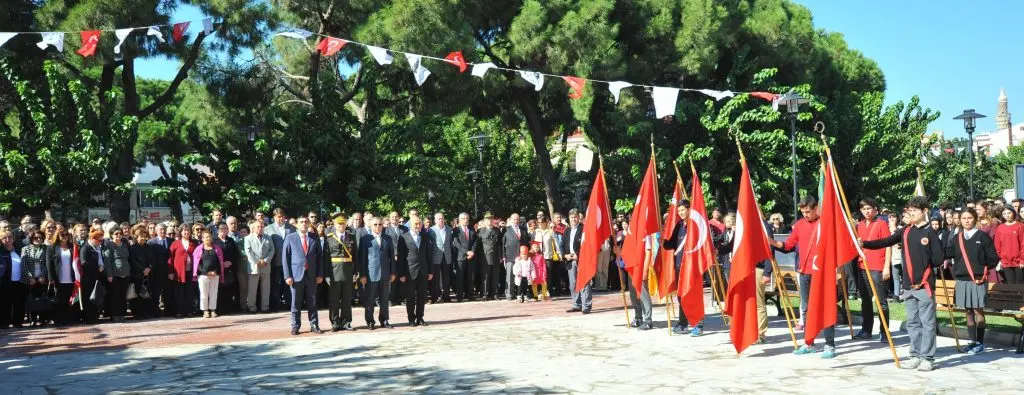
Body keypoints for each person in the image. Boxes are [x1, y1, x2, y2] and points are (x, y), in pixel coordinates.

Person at [861, 196, 944, 371]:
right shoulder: (906, 231)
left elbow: (938, 259)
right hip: (907, 285)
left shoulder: (930, 233)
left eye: (915, 211)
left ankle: (927, 357)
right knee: (912, 322)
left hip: (924, 285)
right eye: (909, 211)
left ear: (925, 212)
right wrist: (865, 244)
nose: (911, 213)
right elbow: (886, 241)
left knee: (927, 323)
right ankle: (915, 355)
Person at [771, 196, 837, 358]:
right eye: (802, 212)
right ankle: (809, 342)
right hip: (804, 272)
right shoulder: (799, 225)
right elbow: (787, 245)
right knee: (806, 308)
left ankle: (830, 344)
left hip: (822, 272)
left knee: (825, 306)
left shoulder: (825, 223)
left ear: (816, 209)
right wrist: (769, 241)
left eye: (807, 211)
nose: (805, 215)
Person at [945, 208, 999, 355]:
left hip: (977, 280)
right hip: (962, 279)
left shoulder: (982, 236)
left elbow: (993, 257)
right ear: (959, 221)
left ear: (975, 219)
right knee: (968, 311)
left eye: (969, 218)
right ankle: (972, 341)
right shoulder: (957, 238)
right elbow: (947, 253)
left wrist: (983, 269)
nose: (966, 221)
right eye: (963, 218)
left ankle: (980, 342)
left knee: (978, 310)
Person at [853, 198, 893, 342]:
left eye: (869, 208)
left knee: (881, 301)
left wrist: (886, 266)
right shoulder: (860, 225)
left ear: (875, 209)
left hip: (878, 266)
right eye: (864, 209)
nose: (866, 211)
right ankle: (866, 329)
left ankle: (884, 331)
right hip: (862, 266)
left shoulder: (881, 223)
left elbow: (888, 245)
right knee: (865, 300)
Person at [662, 201, 701, 335]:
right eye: (679, 211)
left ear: (689, 209)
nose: (681, 213)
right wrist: (663, 241)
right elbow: (671, 244)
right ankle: (683, 323)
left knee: (693, 295)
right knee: (681, 296)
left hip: (693, 266)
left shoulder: (696, 224)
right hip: (679, 265)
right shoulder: (679, 225)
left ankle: (698, 324)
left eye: (683, 210)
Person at [282, 216, 323, 335]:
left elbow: (320, 258)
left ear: (309, 223)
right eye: (301, 222)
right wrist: (287, 276)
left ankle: (314, 324)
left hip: (311, 275)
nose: (304, 224)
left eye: (306, 222)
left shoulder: (314, 238)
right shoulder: (290, 238)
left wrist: (320, 274)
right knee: (295, 302)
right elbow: (286, 258)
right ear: (297, 225)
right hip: (295, 275)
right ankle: (295, 326)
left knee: (313, 301)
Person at [359, 217, 395, 330]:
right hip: (371, 273)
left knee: (384, 299)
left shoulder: (388, 238)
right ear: (370, 225)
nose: (378, 226)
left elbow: (392, 257)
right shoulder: (365, 239)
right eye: (375, 224)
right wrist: (363, 275)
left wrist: (393, 272)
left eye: (380, 224)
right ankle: (370, 321)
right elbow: (362, 259)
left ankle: (384, 319)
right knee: (370, 299)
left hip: (385, 273)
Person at [323, 213, 356, 331]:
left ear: (346, 223)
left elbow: (355, 256)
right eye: (339, 223)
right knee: (334, 299)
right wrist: (326, 274)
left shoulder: (351, 237)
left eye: (343, 223)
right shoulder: (329, 238)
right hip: (334, 271)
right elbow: (325, 257)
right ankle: (335, 322)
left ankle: (346, 322)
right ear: (335, 225)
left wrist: (356, 272)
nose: (341, 225)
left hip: (347, 271)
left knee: (347, 298)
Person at [397, 216, 433, 326]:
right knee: (410, 296)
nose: (417, 226)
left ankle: (420, 317)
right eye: (415, 224)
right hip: (409, 271)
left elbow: (429, 255)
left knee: (422, 296)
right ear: (410, 225)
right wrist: (402, 273)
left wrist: (430, 271)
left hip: (423, 271)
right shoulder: (403, 237)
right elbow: (401, 257)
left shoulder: (425, 236)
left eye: (419, 224)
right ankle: (411, 318)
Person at [264, 208, 295, 312]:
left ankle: (289, 304)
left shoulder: (291, 228)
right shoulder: (268, 229)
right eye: (278, 216)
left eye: (282, 216)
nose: (280, 218)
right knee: (276, 284)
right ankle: (276, 305)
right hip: (275, 261)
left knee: (289, 283)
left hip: (289, 261)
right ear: (274, 218)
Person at [559, 209, 589, 313]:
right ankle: (577, 304)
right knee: (573, 284)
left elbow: (587, 245)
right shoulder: (567, 230)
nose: (573, 219)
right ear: (569, 218)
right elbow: (562, 245)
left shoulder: (584, 229)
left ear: (578, 218)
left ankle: (586, 306)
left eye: (575, 217)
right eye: (571, 217)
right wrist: (564, 255)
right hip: (570, 260)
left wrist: (578, 255)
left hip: (581, 259)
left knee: (584, 283)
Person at [191, 230, 226, 318]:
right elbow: (196, 264)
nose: (208, 238)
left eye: (209, 236)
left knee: (214, 293)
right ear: (202, 239)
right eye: (206, 237)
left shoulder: (217, 248)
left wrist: (215, 271)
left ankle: (213, 310)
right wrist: (206, 272)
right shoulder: (198, 249)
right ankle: (205, 311)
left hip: (215, 275)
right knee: (204, 294)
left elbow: (220, 262)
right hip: (203, 275)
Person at [46, 229, 76, 326]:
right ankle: (59, 320)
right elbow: (49, 264)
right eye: (62, 235)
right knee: (59, 300)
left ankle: (68, 319)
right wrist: (51, 278)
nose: (64, 236)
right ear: (57, 236)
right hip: (58, 278)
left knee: (69, 300)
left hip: (70, 278)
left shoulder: (72, 247)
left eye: (66, 234)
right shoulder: (52, 247)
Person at [244, 219, 275, 314]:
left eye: (262, 227)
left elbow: (272, 250)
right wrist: (257, 261)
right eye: (258, 226)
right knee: (252, 289)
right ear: (253, 228)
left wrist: (265, 260)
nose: (260, 228)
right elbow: (248, 252)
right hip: (254, 267)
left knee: (266, 289)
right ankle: (252, 307)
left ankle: (265, 307)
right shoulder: (248, 238)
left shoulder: (268, 237)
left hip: (266, 266)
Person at [168, 226, 199, 318]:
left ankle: (189, 311)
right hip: (179, 272)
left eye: (188, 230)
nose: (186, 232)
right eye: (184, 230)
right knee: (179, 292)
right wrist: (170, 272)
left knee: (190, 292)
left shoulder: (194, 243)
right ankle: (179, 311)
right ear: (181, 232)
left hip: (191, 272)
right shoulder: (175, 243)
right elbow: (170, 258)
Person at [103, 226, 131, 323]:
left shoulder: (124, 245)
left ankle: (122, 314)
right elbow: (107, 261)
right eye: (116, 234)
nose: (118, 235)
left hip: (125, 273)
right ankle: (114, 315)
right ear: (111, 235)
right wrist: (109, 275)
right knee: (114, 296)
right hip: (114, 275)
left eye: (120, 233)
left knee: (122, 296)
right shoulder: (109, 245)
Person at [21, 230, 48, 326]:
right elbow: (24, 265)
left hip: (42, 279)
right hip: (30, 279)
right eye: (36, 238)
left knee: (42, 298)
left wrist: (43, 275)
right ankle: (32, 320)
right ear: (32, 239)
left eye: (40, 237)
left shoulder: (46, 248)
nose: (38, 239)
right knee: (31, 299)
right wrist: (30, 277)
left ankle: (42, 319)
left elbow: (47, 264)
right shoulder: (25, 249)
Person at [79, 230, 105, 324]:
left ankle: (94, 316)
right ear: (92, 239)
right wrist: (97, 268)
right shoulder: (85, 248)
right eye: (99, 240)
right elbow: (84, 262)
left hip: (97, 277)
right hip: (88, 278)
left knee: (95, 297)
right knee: (88, 297)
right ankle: (89, 317)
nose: (100, 242)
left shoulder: (98, 248)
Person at [993, 206, 1024, 284]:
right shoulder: (1000, 228)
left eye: (1009, 213)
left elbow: (1023, 243)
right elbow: (997, 245)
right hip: (1005, 262)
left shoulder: (1020, 226)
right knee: (1010, 286)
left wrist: (1022, 260)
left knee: (1020, 286)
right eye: (1004, 213)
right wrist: (999, 260)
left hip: (1019, 262)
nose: (1007, 215)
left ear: (1013, 213)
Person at [146, 223, 172, 318]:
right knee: (155, 293)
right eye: (160, 229)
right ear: (156, 231)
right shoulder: (151, 242)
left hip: (168, 272)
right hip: (155, 273)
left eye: (164, 229)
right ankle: (155, 313)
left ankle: (168, 312)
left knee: (168, 293)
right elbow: (149, 258)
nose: (163, 231)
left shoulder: (171, 241)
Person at [502, 214, 530, 301]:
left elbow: (526, 243)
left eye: (517, 219)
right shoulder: (506, 230)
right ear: (510, 220)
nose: (516, 221)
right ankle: (509, 293)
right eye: (514, 219)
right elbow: (503, 244)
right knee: (510, 276)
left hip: (522, 257)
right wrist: (503, 256)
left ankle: (521, 293)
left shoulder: (523, 230)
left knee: (522, 276)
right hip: (510, 256)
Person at [128, 227, 154, 319]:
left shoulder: (149, 247)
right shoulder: (132, 248)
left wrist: (149, 268)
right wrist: (143, 269)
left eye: (144, 236)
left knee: (146, 294)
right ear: (136, 237)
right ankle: (137, 314)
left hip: (147, 275)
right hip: (136, 275)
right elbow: (132, 261)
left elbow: (152, 260)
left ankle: (146, 313)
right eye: (140, 236)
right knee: (136, 295)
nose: (142, 238)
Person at [428, 212, 454, 303]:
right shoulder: (431, 230)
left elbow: (451, 243)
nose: (441, 220)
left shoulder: (449, 229)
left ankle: (446, 296)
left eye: (442, 218)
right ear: (435, 220)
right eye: (439, 218)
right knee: (435, 278)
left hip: (447, 256)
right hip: (436, 256)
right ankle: (435, 297)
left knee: (446, 277)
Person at [213, 223, 239, 314]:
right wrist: (221, 264)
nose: (223, 230)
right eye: (221, 229)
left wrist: (230, 262)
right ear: (218, 230)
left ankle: (229, 309)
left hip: (230, 269)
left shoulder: (231, 240)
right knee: (219, 290)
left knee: (229, 289)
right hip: (219, 270)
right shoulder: (214, 241)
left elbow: (236, 254)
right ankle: (219, 309)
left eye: (225, 229)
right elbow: (213, 256)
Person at [452, 213, 478, 302]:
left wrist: (472, 252)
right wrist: (467, 252)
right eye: (463, 218)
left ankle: (470, 295)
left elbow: (475, 241)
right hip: (460, 257)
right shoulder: (456, 230)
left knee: (470, 277)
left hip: (471, 257)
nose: (465, 220)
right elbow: (456, 243)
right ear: (459, 220)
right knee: (460, 277)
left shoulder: (472, 229)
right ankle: (459, 296)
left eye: (467, 218)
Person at [477, 213, 502, 300]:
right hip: (485, 257)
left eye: (491, 219)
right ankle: (485, 294)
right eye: (487, 219)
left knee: (495, 276)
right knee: (485, 276)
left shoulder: (497, 230)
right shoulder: (480, 231)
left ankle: (495, 294)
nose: (489, 221)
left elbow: (500, 244)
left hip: (495, 256)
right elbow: (478, 245)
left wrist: (501, 256)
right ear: (484, 221)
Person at [534, 219, 560, 296]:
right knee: (539, 273)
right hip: (538, 257)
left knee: (548, 274)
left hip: (547, 256)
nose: (540, 224)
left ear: (545, 223)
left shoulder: (550, 232)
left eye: (542, 222)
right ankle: (540, 290)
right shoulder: (535, 232)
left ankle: (548, 289)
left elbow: (556, 243)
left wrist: (559, 253)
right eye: (538, 222)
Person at [385, 212, 407, 306]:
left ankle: (401, 298)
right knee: (392, 278)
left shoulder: (404, 229)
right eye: (392, 217)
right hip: (392, 257)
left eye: (396, 217)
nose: (395, 218)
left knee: (402, 278)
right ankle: (390, 298)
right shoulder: (386, 230)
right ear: (390, 219)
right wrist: (392, 255)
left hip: (403, 257)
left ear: (399, 218)